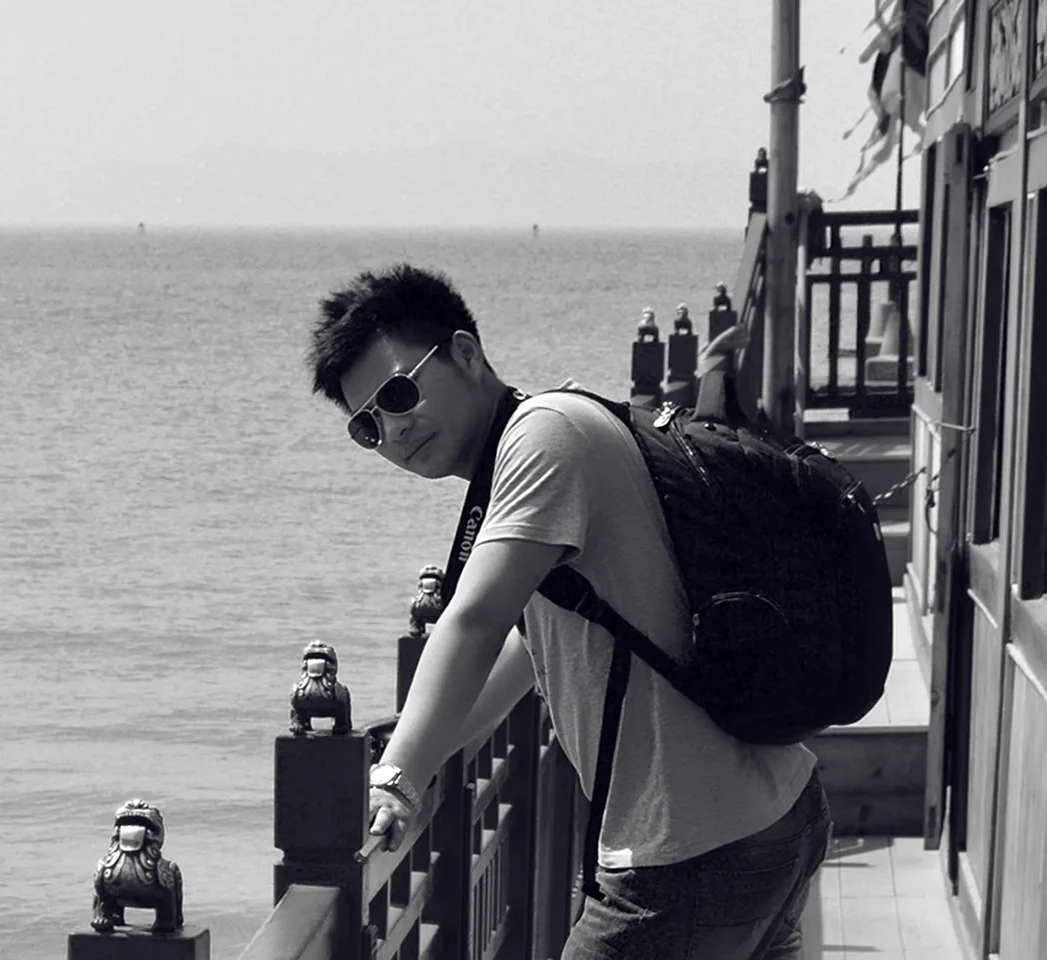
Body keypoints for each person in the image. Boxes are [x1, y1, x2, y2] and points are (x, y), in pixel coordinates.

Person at [305, 263, 832, 959]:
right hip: (771, 814)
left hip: (694, 853)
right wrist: (417, 750)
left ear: (465, 353)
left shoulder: (542, 439)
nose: (394, 430)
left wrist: (395, 778)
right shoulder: (549, 435)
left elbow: (474, 621)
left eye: (398, 394)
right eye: (368, 426)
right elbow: (528, 649)